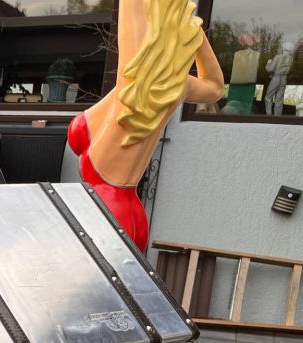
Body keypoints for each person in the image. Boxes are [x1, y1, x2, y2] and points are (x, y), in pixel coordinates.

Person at [67, 0, 224, 250]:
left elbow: (136, 7)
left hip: (106, 203)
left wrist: (185, 24)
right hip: (131, 207)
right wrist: (194, 31)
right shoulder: (177, 86)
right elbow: (215, 87)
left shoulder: (133, 75)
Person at [265, 42, 296, 116]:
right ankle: (277, 116)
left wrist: (268, 63)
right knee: (279, 98)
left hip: (276, 78)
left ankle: (268, 115)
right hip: (284, 79)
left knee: (268, 97)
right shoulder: (291, 59)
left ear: (284, 48)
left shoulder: (278, 57)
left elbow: (270, 69)